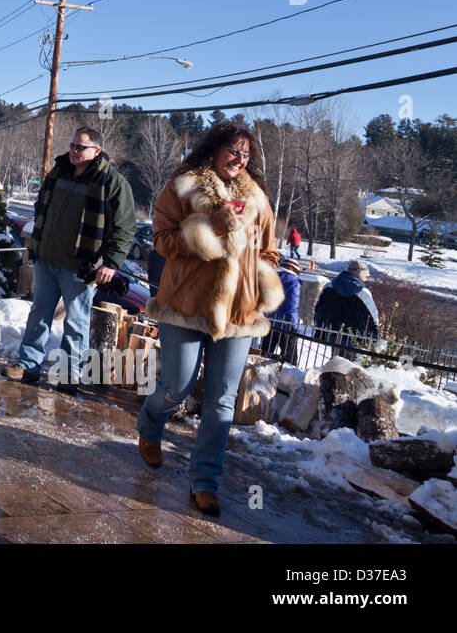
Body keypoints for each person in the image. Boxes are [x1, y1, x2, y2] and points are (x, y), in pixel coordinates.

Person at [136, 122, 284, 517]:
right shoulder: (183, 187)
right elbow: (161, 239)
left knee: (221, 400)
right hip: (185, 305)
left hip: (240, 312)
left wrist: (259, 281)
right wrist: (207, 229)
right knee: (176, 386)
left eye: (246, 155)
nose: (239, 160)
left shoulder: (258, 198)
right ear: (215, 150)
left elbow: (270, 252)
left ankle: (204, 482)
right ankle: (149, 427)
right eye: (233, 151)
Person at [3, 126, 136, 392]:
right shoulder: (59, 170)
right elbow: (42, 209)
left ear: (96, 151)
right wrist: (36, 245)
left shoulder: (111, 182)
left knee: (75, 322)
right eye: (73, 146)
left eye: (81, 147)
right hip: (47, 258)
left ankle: (69, 374)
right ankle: (28, 366)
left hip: (80, 266)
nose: (74, 151)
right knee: (39, 314)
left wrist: (110, 263)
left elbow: (125, 227)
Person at [313, 259, 378, 350]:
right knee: (350, 363)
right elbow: (372, 317)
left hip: (332, 332)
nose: (366, 279)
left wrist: (320, 329)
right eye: (366, 276)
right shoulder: (363, 293)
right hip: (355, 337)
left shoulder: (329, 286)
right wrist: (375, 337)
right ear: (360, 275)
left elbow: (319, 310)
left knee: (336, 361)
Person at [259, 257, 302, 363]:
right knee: (290, 359)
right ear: (295, 270)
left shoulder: (271, 277)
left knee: (264, 355)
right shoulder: (294, 281)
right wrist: (294, 324)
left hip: (269, 322)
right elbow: (291, 305)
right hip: (286, 325)